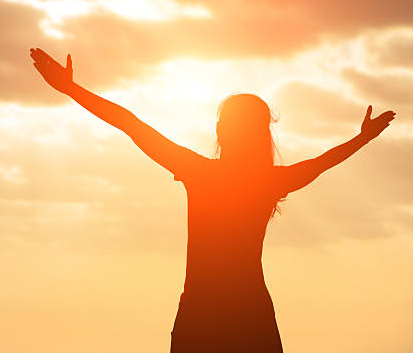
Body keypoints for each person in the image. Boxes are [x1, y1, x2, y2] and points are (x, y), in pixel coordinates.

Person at [29, 47, 396, 352]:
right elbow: (321, 163)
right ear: (261, 133)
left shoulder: (201, 172)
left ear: (221, 130)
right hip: (249, 314)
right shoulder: (268, 181)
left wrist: (71, 90)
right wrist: (362, 138)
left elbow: (130, 123)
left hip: (201, 315)